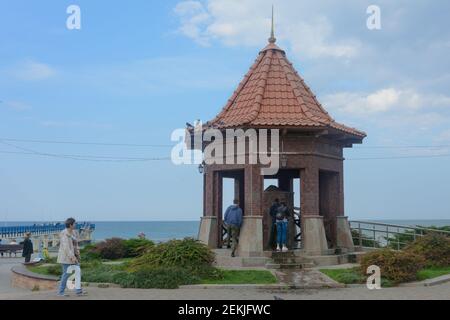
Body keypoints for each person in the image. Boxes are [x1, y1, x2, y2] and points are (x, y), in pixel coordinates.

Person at [57, 218, 86, 297]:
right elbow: (66, 248)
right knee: (66, 274)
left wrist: (77, 254)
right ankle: (60, 292)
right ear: (70, 225)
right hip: (66, 258)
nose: (75, 225)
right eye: (74, 224)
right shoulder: (64, 234)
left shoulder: (73, 233)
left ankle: (78, 291)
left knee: (77, 272)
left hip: (74, 257)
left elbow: (76, 244)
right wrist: (72, 257)